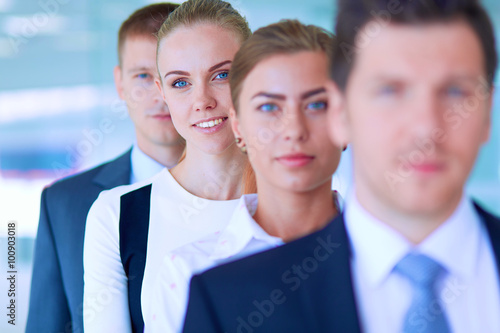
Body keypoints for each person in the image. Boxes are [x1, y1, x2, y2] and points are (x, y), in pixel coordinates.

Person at [181, 0, 500, 332]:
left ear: (487, 109)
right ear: (341, 112)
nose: (425, 127)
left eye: (454, 91)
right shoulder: (229, 303)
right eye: (390, 90)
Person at [145, 19, 343, 332]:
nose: (293, 130)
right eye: (268, 107)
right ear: (239, 127)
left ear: (347, 121)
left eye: (316, 104)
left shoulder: (401, 252)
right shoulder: (189, 272)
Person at [82, 0, 251, 332]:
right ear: (163, 92)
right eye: (181, 83)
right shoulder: (117, 215)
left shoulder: (310, 205)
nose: (202, 101)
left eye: (222, 74)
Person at [25, 4, 184, 333]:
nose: (160, 94)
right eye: (143, 76)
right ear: (120, 84)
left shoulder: (253, 191)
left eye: (176, 77)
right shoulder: (64, 203)